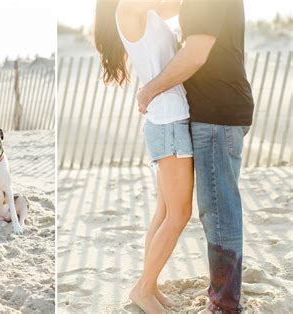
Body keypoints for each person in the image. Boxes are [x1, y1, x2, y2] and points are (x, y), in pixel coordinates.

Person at [136, 0, 254, 313]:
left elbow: (197, 52)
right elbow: (164, 10)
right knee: (217, 208)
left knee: (218, 211)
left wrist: (151, 89)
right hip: (215, 113)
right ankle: (223, 293)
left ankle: (225, 303)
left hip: (218, 115)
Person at [94, 1, 192, 313]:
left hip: (168, 118)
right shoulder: (128, 7)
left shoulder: (143, 12)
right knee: (179, 214)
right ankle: (143, 288)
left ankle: (150, 286)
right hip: (168, 120)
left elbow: (173, 8)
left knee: (165, 212)